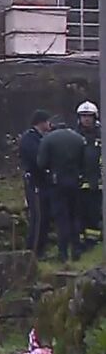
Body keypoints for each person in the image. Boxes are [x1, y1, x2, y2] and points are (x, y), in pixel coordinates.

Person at [37, 122, 86, 262]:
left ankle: (63, 252)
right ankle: (76, 249)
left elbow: (41, 163)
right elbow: (83, 161)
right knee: (75, 215)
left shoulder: (48, 139)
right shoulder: (78, 138)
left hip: (57, 182)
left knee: (61, 218)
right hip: (75, 181)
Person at [20, 110, 52, 257]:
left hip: (43, 183)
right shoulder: (29, 139)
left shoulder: (40, 138)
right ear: (41, 122)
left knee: (45, 216)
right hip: (35, 183)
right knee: (38, 217)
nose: (50, 124)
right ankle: (32, 251)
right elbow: (37, 159)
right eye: (47, 121)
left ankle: (41, 249)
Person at [74, 101, 102, 254]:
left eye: (89, 116)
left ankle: (93, 242)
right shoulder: (75, 135)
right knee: (79, 213)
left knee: (94, 213)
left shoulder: (101, 134)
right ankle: (80, 242)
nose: (86, 119)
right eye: (83, 116)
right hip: (80, 181)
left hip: (97, 182)